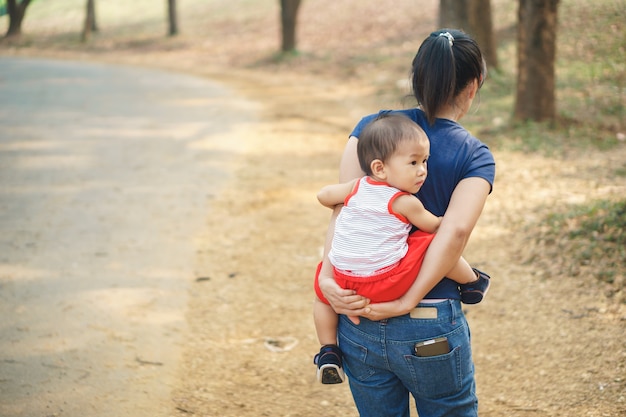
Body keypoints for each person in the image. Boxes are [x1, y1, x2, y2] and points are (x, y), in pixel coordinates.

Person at [317, 29, 495, 417]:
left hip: (357, 312)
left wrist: (328, 280)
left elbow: (344, 212)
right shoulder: (475, 155)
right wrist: (407, 300)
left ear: (416, 76)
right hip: (428, 321)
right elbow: (455, 231)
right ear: (474, 85)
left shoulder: (370, 130)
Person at [312, 113, 490, 385]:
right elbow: (436, 227)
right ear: (380, 168)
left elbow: (324, 196)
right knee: (430, 243)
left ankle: (327, 349)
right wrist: (445, 220)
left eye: (425, 162)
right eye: (414, 162)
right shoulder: (404, 202)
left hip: (345, 286)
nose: (422, 170)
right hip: (385, 284)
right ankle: (472, 281)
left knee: (320, 293)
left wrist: (343, 193)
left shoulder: (356, 188)